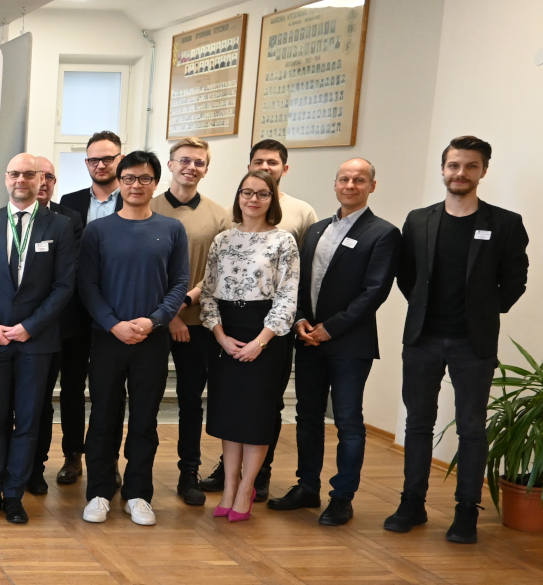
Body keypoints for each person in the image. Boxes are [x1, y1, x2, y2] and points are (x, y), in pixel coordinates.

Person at [387, 136, 529, 544]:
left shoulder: (505, 223)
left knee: (471, 428)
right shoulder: (419, 220)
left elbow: (514, 281)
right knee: (417, 424)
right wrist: (424, 308)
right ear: (443, 169)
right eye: (454, 165)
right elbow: (407, 275)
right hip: (423, 339)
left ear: (483, 171)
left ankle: (466, 510)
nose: (460, 173)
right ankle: (412, 502)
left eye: (470, 166)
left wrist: (482, 312)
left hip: (473, 343)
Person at [269, 158, 399, 525]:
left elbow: (374, 292)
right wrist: (299, 320)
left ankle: (342, 497)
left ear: (372, 186)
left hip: (350, 345)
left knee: (348, 422)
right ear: (336, 183)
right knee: (307, 417)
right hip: (308, 339)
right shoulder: (316, 230)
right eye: (344, 179)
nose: (350, 185)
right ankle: (306, 486)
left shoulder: (383, 233)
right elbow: (297, 281)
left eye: (359, 180)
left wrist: (331, 328)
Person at [201, 138, 320, 499]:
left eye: (262, 194)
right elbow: (208, 291)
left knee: (256, 416)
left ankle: (246, 489)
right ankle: (229, 487)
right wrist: (220, 336)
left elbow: (287, 296)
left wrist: (260, 342)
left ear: (272, 199)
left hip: (265, 335)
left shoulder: (284, 241)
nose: (253, 199)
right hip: (226, 333)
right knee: (228, 415)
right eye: (247, 192)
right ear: (238, 197)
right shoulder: (222, 240)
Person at [77, 150, 190, 526]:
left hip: (151, 340)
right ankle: (99, 491)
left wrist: (154, 320)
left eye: (144, 179)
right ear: (119, 182)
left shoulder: (172, 229)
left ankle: (138, 493)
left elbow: (179, 283)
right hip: (108, 339)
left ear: (155, 183)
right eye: (128, 178)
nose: (136, 185)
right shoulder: (98, 230)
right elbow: (87, 285)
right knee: (103, 418)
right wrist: (113, 324)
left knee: (144, 420)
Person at [0, 154, 78, 524]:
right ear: (5, 178)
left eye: (29, 174)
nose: (21, 180)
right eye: (15, 173)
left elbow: (64, 286)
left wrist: (30, 326)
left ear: (40, 180)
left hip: (37, 341)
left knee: (29, 421)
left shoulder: (60, 226)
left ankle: (14, 496)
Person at [149, 138, 232, 506]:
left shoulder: (219, 216)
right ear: (170, 165)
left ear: (206, 169)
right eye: (184, 160)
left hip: (197, 323)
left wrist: (181, 309)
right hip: (152, 321)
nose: (191, 167)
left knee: (190, 401)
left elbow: (216, 272)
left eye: (199, 162)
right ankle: (137, 472)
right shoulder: (146, 206)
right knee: (145, 399)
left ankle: (189, 473)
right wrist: (168, 317)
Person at [55, 130, 125, 488]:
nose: (101, 165)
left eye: (107, 158)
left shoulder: (133, 199)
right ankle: (73, 455)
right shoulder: (70, 202)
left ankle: (108, 459)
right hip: (76, 312)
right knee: (71, 387)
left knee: (110, 390)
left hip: (118, 310)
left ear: (120, 160)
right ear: (86, 163)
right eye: (94, 159)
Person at [28, 155, 83, 494]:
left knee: (60, 396)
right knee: (30, 400)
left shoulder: (69, 219)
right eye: (38, 175)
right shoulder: (7, 219)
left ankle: (54, 461)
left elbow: (67, 273)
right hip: (22, 325)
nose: (43, 182)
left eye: (49, 176)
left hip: (64, 326)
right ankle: (23, 463)